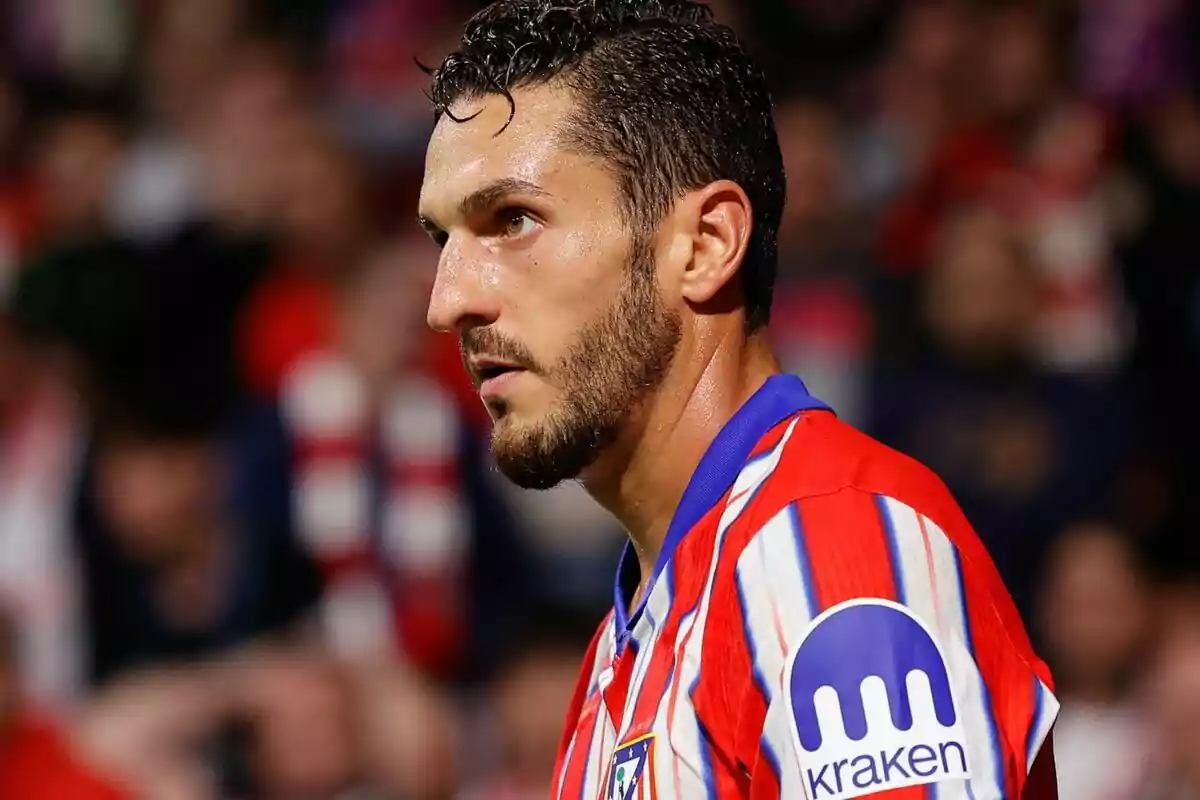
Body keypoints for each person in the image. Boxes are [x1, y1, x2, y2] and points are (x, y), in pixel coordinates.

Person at [417, 2, 1059, 798]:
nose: (447, 303)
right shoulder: (624, 646)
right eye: (444, 241)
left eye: (512, 220)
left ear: (708, 244)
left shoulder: (832, 556)